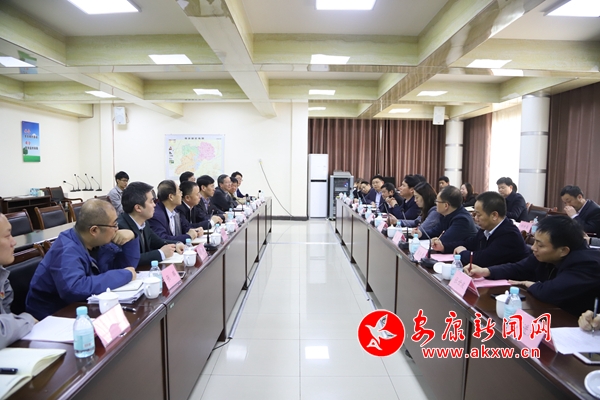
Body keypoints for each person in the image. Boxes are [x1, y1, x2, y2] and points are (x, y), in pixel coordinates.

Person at [26, 199, 139, 320]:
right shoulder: (66, 249)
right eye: (114, 225)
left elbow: (127, 268)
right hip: (52, 316)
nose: (117, 229)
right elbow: (75, 289)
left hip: (83, 307)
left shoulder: (99, 243)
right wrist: (125, 275)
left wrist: (131, 238)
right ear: (94, 230)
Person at [465, 215, 600, 316]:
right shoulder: (545, 255)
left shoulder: (587, 264)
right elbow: (519, 268)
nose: (533, 248)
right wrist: (486, 271)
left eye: (540, 245)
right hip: (549, 313)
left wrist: (529, 284)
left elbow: (550, 292)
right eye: (534, 242)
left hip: (576, 325)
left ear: (563, 250)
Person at [432, 191, 530, 266]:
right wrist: (444, 247)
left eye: (478, 215)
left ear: (494, 215)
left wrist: (462, 253)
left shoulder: (509, 234)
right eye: (474, 214)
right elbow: (470, 243)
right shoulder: (486, 228)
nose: (475, 218)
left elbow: (484, 259)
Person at [118, 182, 184, 267]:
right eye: (151, 201)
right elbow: (130, 259)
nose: (154, 205)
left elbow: (158, 242)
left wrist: (176, 244)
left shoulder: (144, 222)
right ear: (138, 208)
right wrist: (161, 253)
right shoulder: (121, 227)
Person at [0, 214, 35, 349]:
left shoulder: (2, 276)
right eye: (7, 236)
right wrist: (27, 320)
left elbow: (6, 316)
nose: (13, 242)